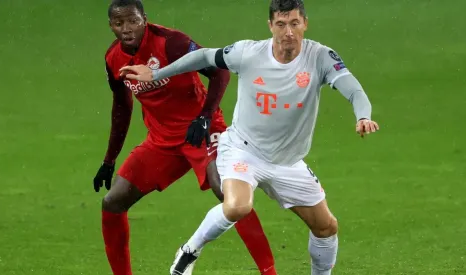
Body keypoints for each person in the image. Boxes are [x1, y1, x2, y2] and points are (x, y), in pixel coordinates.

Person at [119, 0, 381, 274]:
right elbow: (206, 56)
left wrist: (363, 116)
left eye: (294, 23)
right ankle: (189, 251)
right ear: (270, 26)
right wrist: (158, 73)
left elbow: (354, 91)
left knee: (326, 227)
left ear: (305, 23)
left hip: (288, 162)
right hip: (244, 151)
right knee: (237, 206)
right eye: (281, 24)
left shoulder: (320, 57)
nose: (288, 32)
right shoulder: (248, 53)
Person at [94, 0, 278, 274]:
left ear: (144, 18)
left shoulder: (172, 42)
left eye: (132, 20)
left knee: (228, 194)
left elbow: (219, 71)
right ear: (111, 26)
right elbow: (122, 108)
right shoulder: (113, 59)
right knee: (113, 201)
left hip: (201, 130)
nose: (126, 29)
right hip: (161, 142)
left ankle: (269, 272)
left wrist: (204, 117)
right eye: (119, 23)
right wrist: (109, 160)